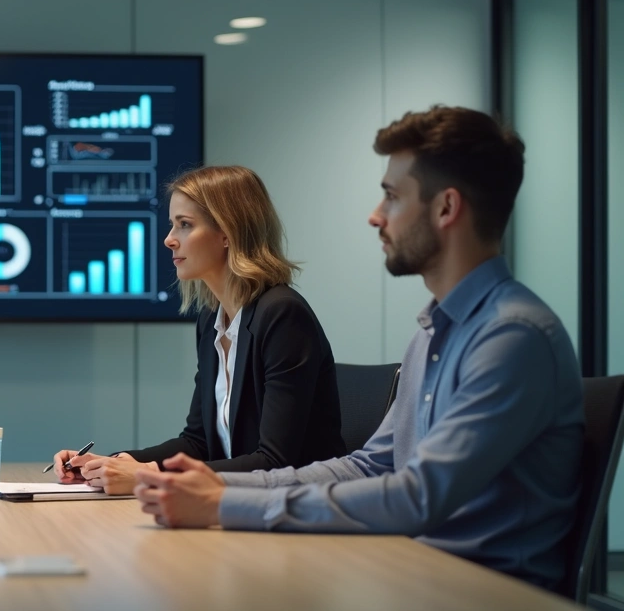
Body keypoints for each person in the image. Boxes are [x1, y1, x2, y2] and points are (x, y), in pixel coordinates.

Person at [133, 106, 583, 591]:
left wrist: (223, 502)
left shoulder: (512, 337)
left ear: (446, 208)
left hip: (478, 592)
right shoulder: (433, 333)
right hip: (412, 573)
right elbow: (368, 465)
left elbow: (417, 497)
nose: (375, 215)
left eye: (391, 197)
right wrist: (215, 486)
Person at [51, 166, 346, 495]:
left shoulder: (282, 315)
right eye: (172, 224)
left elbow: (276, 461)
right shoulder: (211, 319)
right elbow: (198, 442)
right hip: (241, 507)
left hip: (300, 511)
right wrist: (113, 464)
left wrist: (149, 475)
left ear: (227, 234)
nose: (169, 239)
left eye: (185, 225)